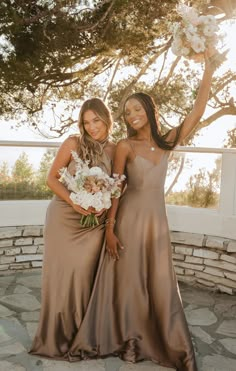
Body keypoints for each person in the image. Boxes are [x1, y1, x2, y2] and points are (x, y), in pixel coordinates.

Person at [66, 50, 217, 370]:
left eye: (136, 108)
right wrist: (109, 228)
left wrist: (208, 68)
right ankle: (126, 339)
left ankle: (158, 340)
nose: (131, 114)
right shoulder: (124, 146)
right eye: (126, 111)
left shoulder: (168, 141)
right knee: (128, 281)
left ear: (149, 109)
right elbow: (117, 187)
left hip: (156, 222)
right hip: (128, 221)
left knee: (158, 282)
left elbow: (198, 109)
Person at [29, 98, 116, 359]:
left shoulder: (115, 149)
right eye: (86, 122)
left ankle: (82, 336)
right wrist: (74, 201)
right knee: (59, 278)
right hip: (64, 217)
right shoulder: (73, 143)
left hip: (94, 223)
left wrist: (103, 205)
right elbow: (51, 178)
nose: (91, 127)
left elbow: (118, 188)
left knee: (82, 277)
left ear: (106, 119)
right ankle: (56, 337)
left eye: (96, 120)